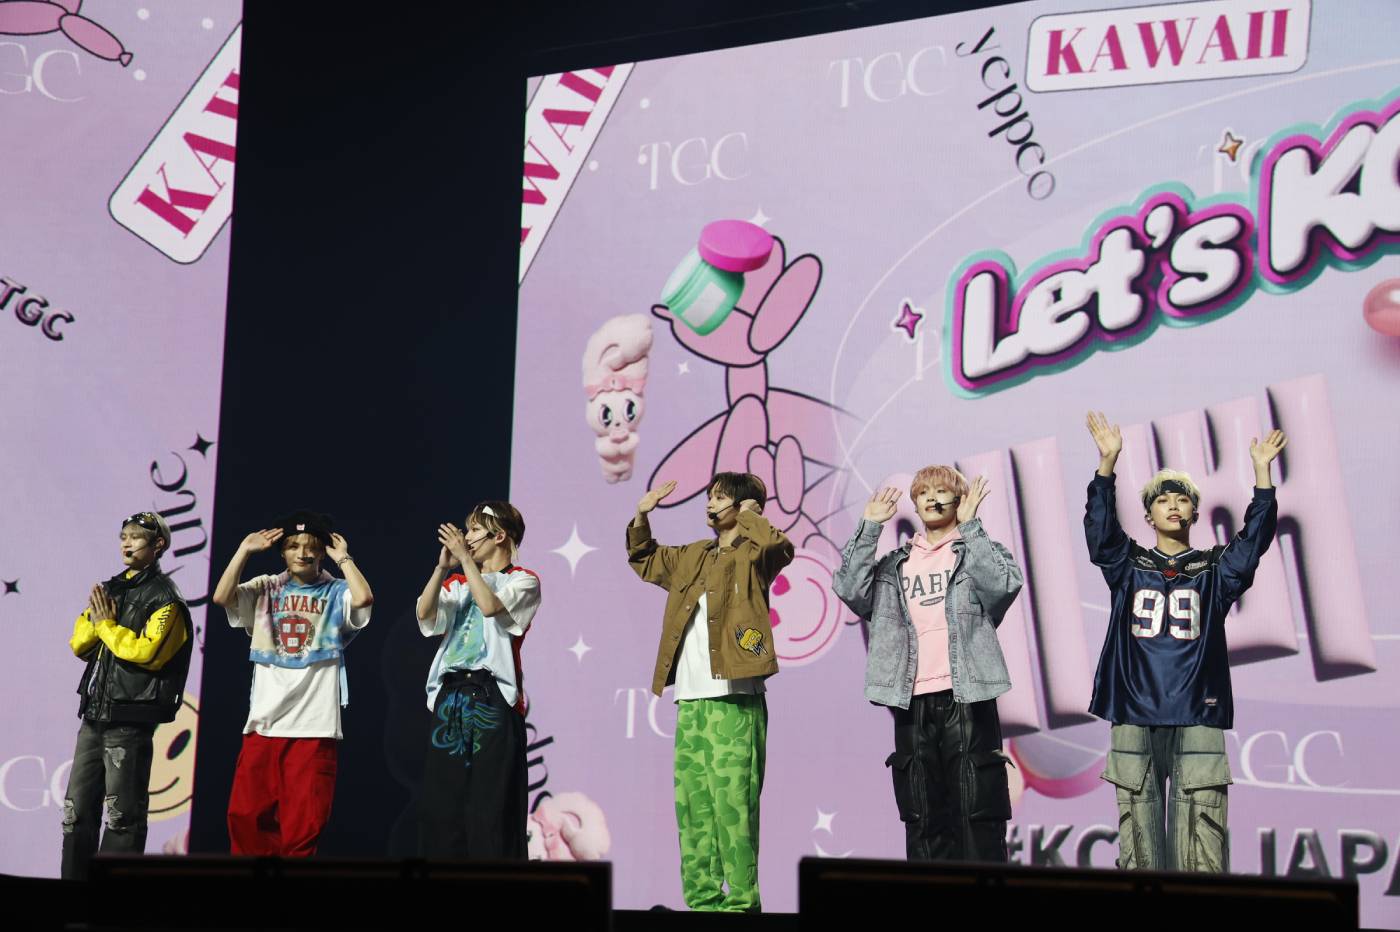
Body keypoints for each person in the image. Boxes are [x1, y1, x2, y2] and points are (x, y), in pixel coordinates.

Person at [1084, 411, 1286, 871]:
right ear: (1149, 514)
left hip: (1198, 710)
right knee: (1139, 846)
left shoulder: (1215, 570)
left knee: (1201, 849)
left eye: (1182, 499)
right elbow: (1100, 534)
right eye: (1163, 500)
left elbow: (1253, 544)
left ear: (1195, 512)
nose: (1173, 506)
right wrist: (1107, 465)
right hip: (1134, 710)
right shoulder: (1128, 565)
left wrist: (1262, 477)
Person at [832, 467, 1022, 862]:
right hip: (912, 703)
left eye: (942, 491)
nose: (932, 498)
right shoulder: (893, 566)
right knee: (922, 818)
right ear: (915, 504)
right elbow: (850, 589)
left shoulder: (975, 551)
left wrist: (971, 528)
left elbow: (1002, 588)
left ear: (959, 500)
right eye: (923, 493)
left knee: (978, 815)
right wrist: (869, 528)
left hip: (967, 698)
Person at [626, 472, 793, 912]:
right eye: (709, 496)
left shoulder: (755, 552)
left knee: (733, 805)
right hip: (692, 698)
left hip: (735, 696)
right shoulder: (693, 555)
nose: (710, 504)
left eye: (720, 498)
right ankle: (702, 902)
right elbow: (645, 558)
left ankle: (741, 904)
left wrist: (752, 515)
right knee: (694, 806)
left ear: (743, 505)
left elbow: (779, 547)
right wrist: (642, 514)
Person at [212, 510, 372, 856]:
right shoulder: (265, 587)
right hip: (264, 723)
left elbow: (364, 599)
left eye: (311, 546)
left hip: (314, 726)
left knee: (303, 826)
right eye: (293, 546)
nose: (303, 553)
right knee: (245, 818)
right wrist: (243, 551)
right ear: (282, 552)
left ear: (322, 550)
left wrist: (344, 559)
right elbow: (222, 597)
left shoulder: (336, 591)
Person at [62, 510, 192, 879]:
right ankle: (70, 892)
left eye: (136, 537)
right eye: (124, 537)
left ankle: (113, 898)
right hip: (94, 715)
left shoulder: (167, 598)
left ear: (158, 545)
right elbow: (79, 643)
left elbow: (148, 653)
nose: (127, 544)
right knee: (75, 811)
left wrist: (106, 625)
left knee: (122, 815)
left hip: (131, 719)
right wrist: (100, 624)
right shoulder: (110, 589)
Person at [413, 502, 540, 858]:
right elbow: (425, 614)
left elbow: (491, 607)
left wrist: (466, 563)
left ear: (499, 536)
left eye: (474, 530)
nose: (466, 538)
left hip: (491, 695)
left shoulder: (523, 580)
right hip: (451, 695)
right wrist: (442, 568)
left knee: (490, 803)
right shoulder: (456, 582)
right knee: (443, 802)